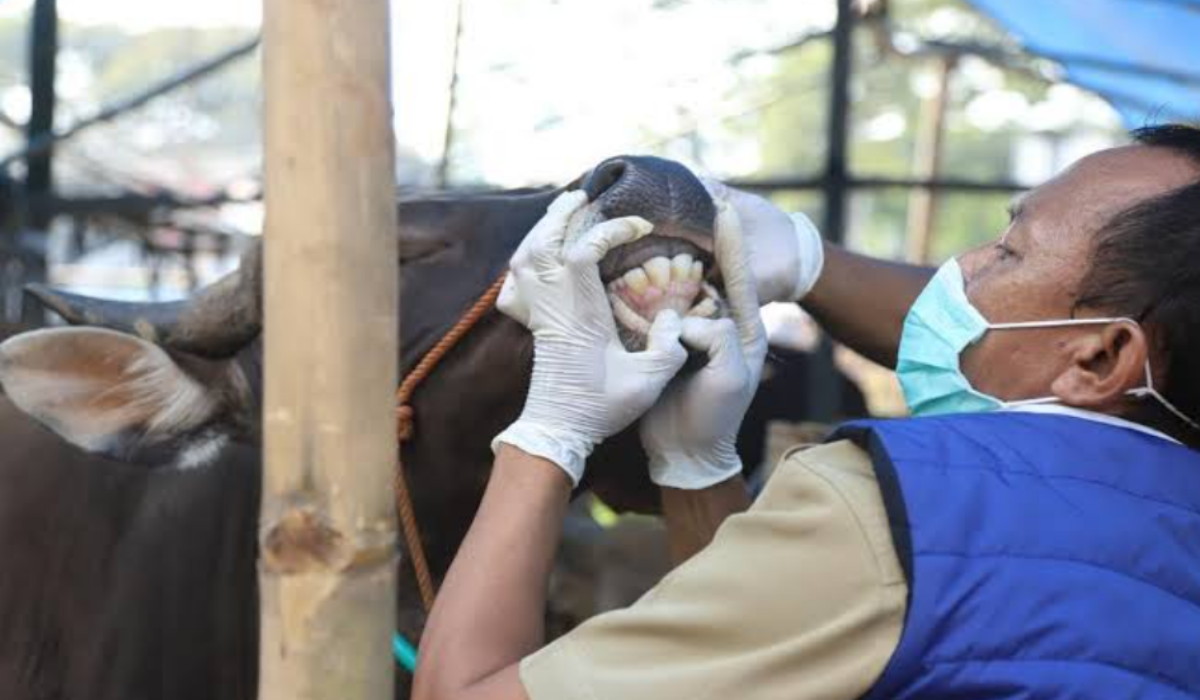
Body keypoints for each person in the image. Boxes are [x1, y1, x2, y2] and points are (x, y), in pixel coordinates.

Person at [413, 124, 1200, 699]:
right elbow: (759, 651)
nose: (958, 267)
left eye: (1008, 251)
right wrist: (700, 469)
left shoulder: (903, 514)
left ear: (1100, 357)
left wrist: (552, 431)